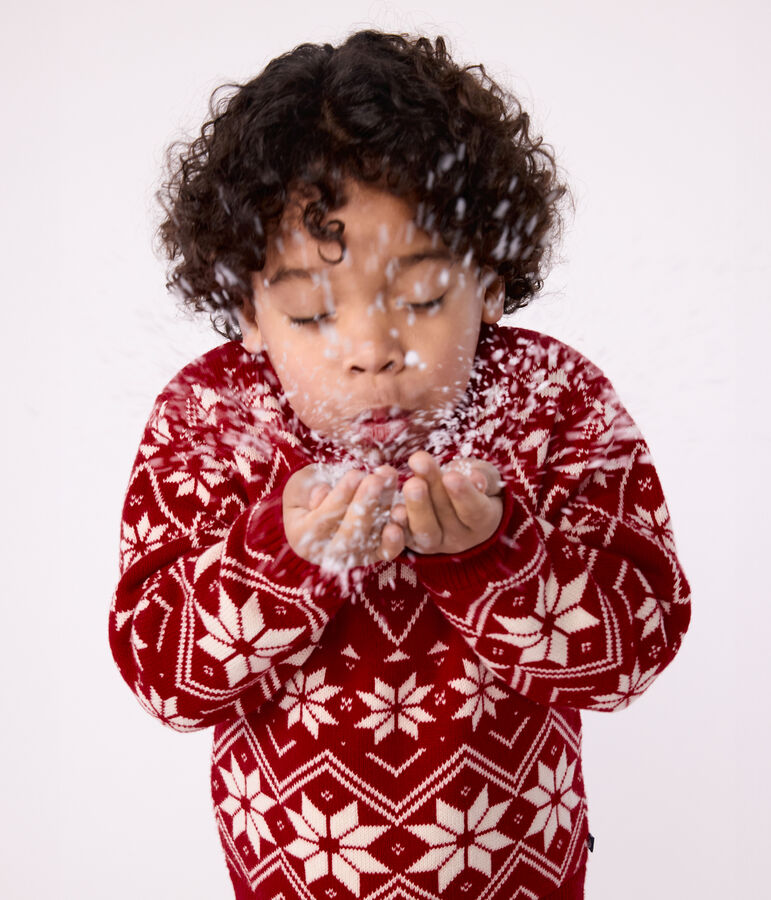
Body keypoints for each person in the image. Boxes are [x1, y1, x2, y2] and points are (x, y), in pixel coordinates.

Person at [108, 29, 691, 900]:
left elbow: (635, 649)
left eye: (420, 299)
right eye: (310, 311)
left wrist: (496, 554)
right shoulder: (214, 418)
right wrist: (281, 558)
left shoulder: (549, 400)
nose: (373, 351)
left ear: (489, 277)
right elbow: (163, 675)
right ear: (246, 309)